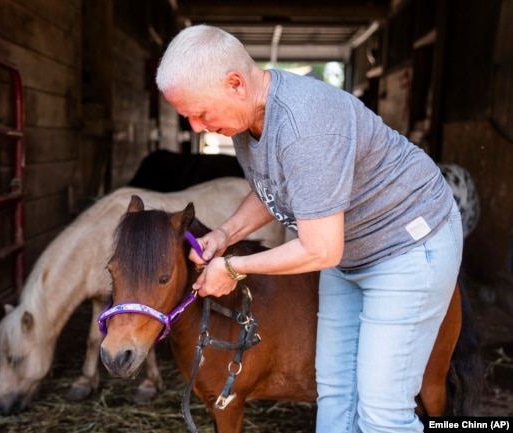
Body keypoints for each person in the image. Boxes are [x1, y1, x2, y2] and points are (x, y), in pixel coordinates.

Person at [155, 25, 463, 433]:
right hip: (352, 250)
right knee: (335, 393)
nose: (195, 127)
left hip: (406, 245)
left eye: (199, 112)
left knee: (382, 412)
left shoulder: (306, 125)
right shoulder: (249, 120)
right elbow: (274, 187)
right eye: (187, 116)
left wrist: (232, 268)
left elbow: (321, 250)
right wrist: (225, 235)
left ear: (235, 85)